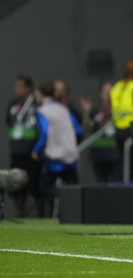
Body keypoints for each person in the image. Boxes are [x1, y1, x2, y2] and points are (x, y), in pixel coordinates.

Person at [33, 80, 83, 216]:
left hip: (55, 157)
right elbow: (78, 130)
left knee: (44, 186)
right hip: (70, 155)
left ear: (39, 93)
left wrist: (36, 150)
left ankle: (63, 196)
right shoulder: (64, 109)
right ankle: (75, 213)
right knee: (74, 189)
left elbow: (45, 132)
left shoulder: (42, 111)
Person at [5, 75, 42, 217]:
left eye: (20, 87)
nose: (16, 90)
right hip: (16, 153)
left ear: (28, 88)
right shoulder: (12, 105)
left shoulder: (36, 105)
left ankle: (40, 215)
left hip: (31, 153)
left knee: (34, 185)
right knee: (16, 187)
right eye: (16, 86)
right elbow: (9, 123)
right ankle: (19, 214)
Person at [110, 59, 133, 182]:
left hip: (118, 129)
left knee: (121, 161)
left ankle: (120, 184)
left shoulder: (117, 87)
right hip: (132, 130)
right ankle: (131, 185)